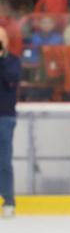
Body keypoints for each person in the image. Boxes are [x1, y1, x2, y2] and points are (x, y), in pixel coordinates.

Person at [0, 26, 20, 218]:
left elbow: (11, 79)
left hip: (4, 116)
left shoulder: (12, 61)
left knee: (4, 160)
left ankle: (8, 199)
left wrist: (2, 58)